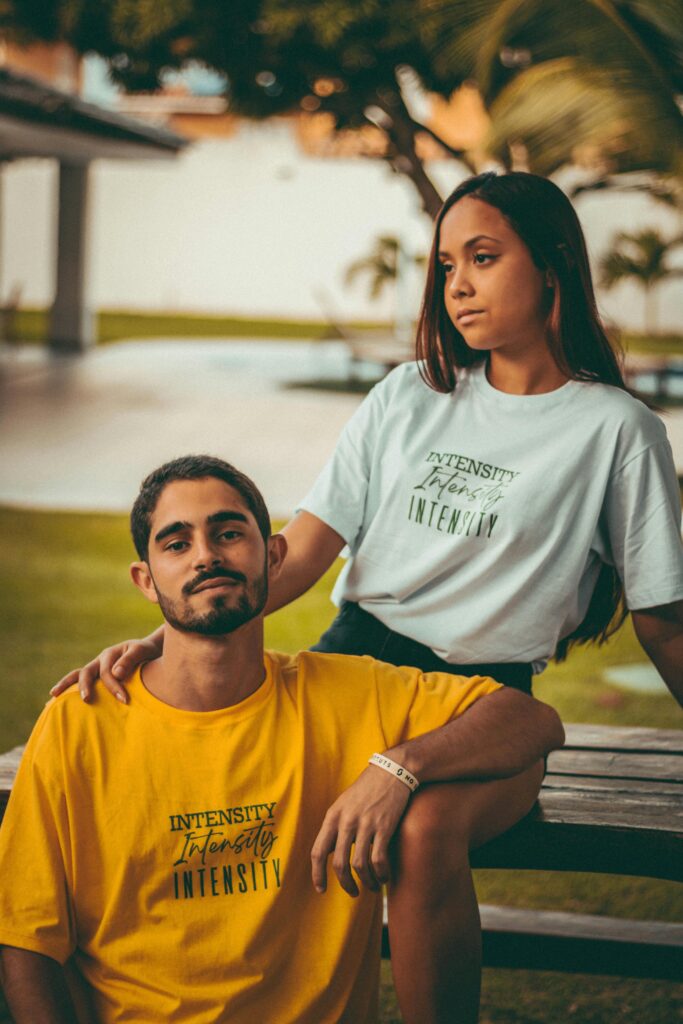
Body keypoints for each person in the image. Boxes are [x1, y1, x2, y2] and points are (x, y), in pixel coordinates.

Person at [52, 172, 683, 1023]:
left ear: (553, 263)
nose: (457, 284)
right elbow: (304, 552)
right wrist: (172, 637)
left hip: (482, 703)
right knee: (208, 811)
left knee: (422, 834)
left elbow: (661, 620)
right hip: (351, 670)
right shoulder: (407, 396)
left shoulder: (617, 431)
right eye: (446, 264)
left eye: (484, 258)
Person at [0, 455, 564, 1024]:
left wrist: (398, 766)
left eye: (227, 533)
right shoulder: (82, 721)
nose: (206, 555)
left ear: (272, 555)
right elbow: (25, 937)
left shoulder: (349, 694)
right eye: (176, 544)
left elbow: (533, 721)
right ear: (146, 580)